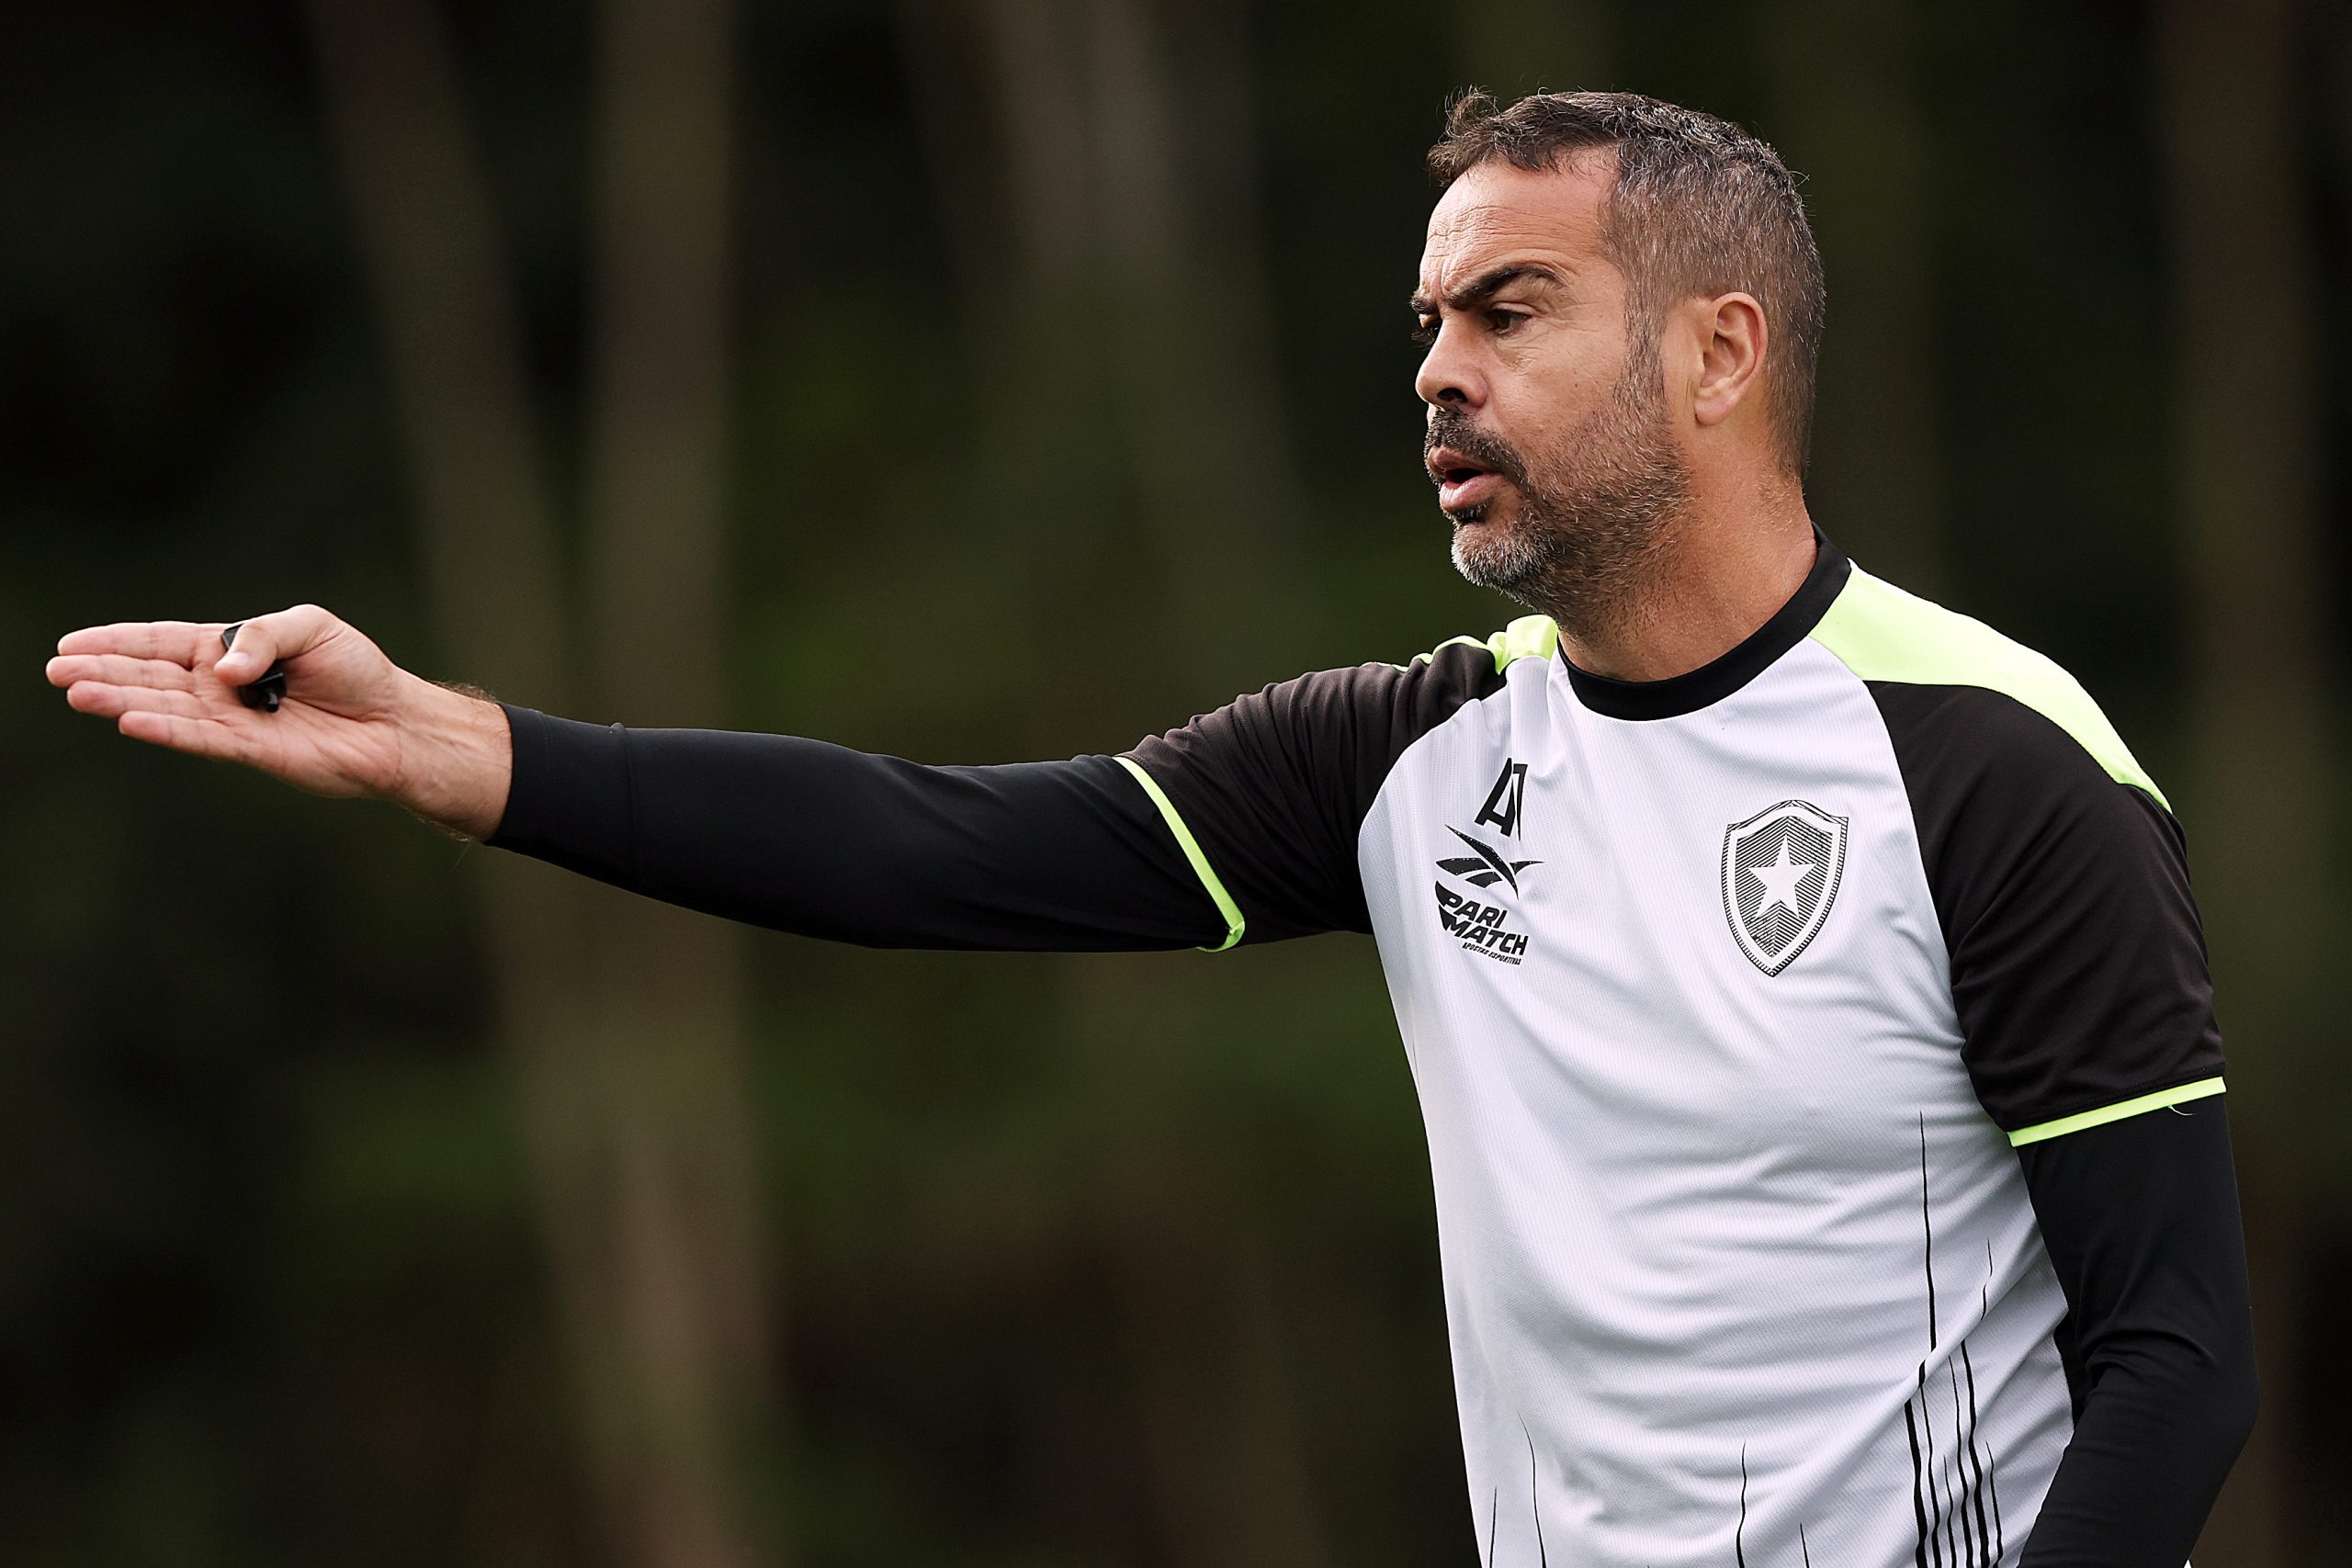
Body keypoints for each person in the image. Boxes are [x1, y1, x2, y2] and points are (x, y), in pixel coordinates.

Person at [45, 90, 2254, 1565]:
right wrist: (465, 749)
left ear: (1716, 352)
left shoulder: (1983, 760)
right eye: (1420, 323)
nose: (1430, 373)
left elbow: (2173, 1353)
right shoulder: (1413, 761)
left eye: (1507, 307)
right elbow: (932, 846)